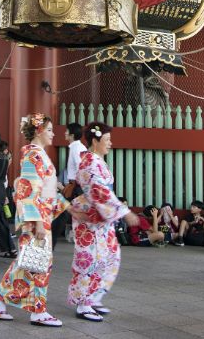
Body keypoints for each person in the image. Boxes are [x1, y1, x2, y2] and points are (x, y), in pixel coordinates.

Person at [0, 113, 84, 327]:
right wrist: (39, 221)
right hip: (38, 218)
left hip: (41, 215)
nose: (53, 134)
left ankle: (0, 299)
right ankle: (38, 311)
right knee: (39, 264)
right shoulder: (33, 155)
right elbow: (29, 189)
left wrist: (67, 207)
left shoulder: (36, 154)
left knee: (30, 263)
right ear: (38, 131)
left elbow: (44, 188)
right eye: (49, 130)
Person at [68, 122, 139, 321]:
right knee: (90, 259)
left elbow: (103, 191)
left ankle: (95, 297)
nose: (110, 143)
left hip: (100, 217)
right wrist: (123, 211)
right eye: (107, 140)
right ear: (94, 140)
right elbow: (99, 191)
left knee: (110, 256)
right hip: (89, 217)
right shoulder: (90, 162)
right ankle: (84, 304)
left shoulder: (96, 160)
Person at [52, 122, 86, 248]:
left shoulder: (76, 148)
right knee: (64, 212)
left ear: (71, 134)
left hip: (75, 186)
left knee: (62, 213)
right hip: (75, 186)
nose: (65, 133)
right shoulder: (76, 147)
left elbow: (80, 167)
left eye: (67, 131)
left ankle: (50, 244)